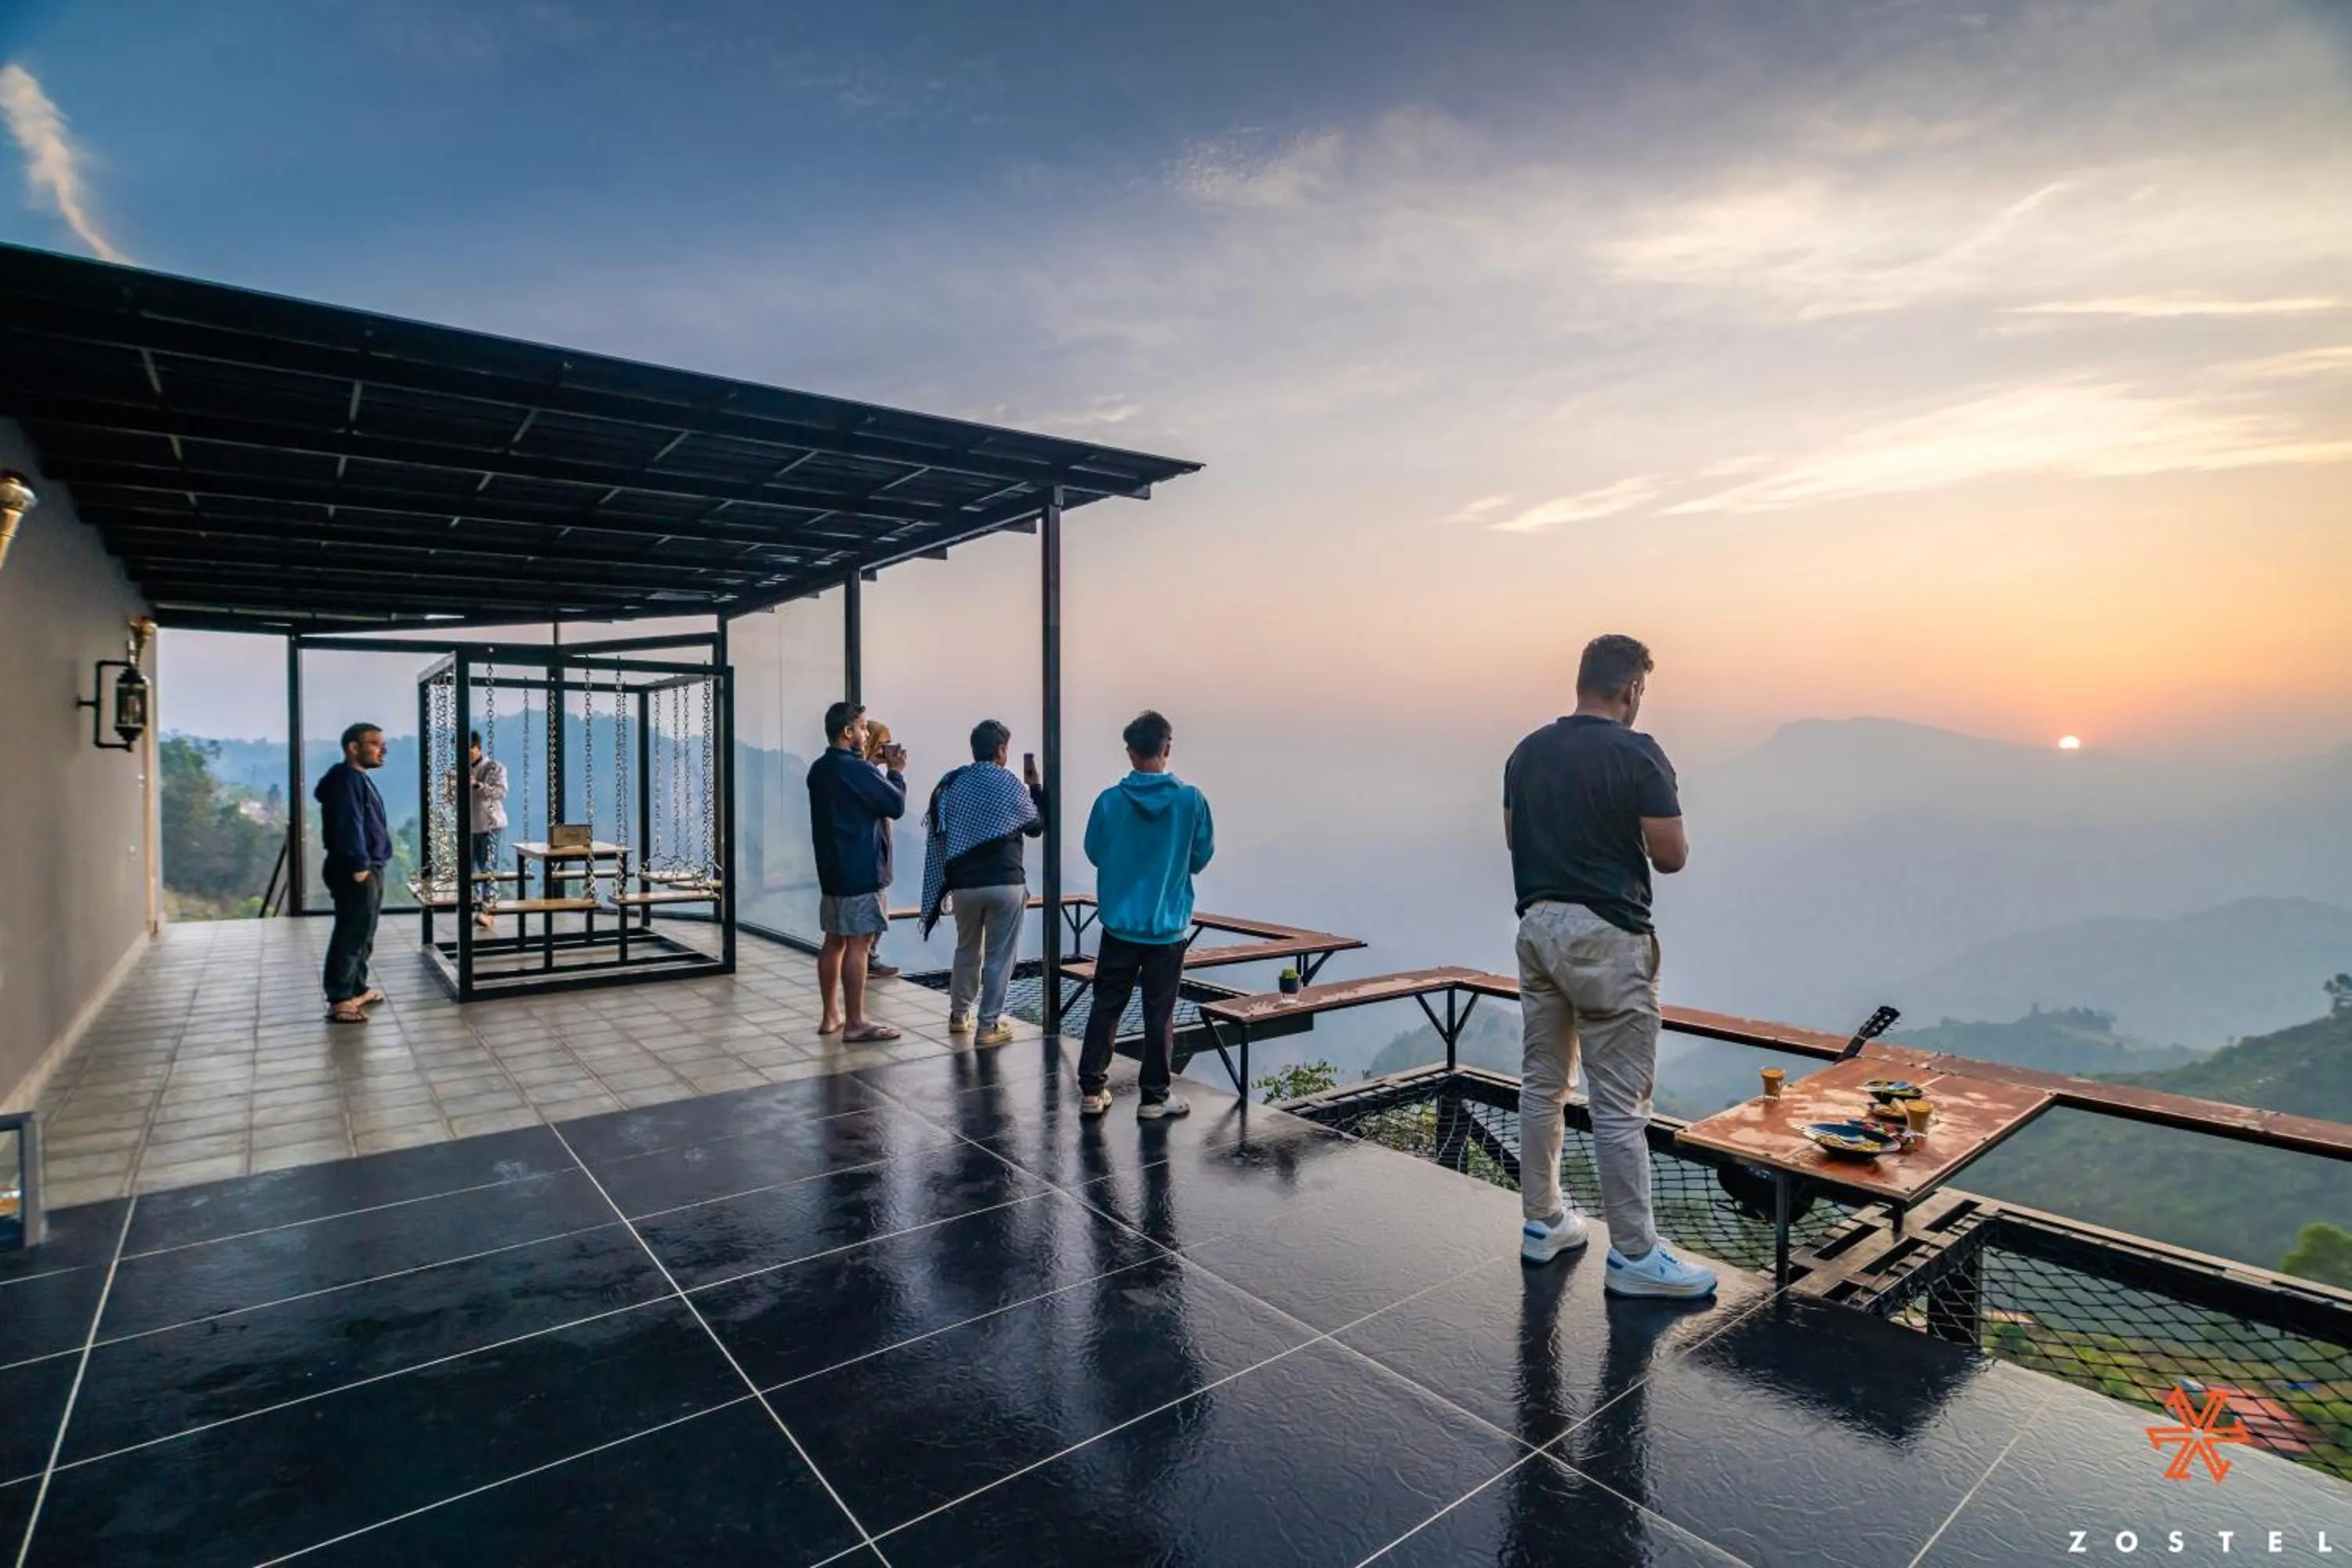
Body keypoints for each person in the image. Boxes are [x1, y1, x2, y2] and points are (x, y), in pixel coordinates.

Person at [1504, 634, 1714, 1298]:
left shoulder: (1527, 751)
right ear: (1631, 690)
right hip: (1608, 934)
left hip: (1537, 926)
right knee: (1619, 1104)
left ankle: (1544, 1223)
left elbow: (1516, 836)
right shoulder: (1637, 753)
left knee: (1543, 1084)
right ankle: (1634, 1256)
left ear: (1581, 682)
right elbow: (1672, 855)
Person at [1077, 710, 1214, 1120]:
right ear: (1167, 748)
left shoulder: (1109, 802)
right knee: (1160, 1012)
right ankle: (1154, 1097)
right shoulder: (1191, 801)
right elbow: (1200, 858)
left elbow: (1094, 852)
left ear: (1130, 752)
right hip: (1166, 929)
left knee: (1106, 1006)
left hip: (1118, 926)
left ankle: (1091, 1089)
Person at [918, 720, 1045, 1047]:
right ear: (1001, 750)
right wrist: (1036, 788)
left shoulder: (955, 783)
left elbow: (942, 829)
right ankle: (988, 1025)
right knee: (999, 956)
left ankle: (960, 1015)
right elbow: (1035, 826)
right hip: (1005, 883)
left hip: (963, 885)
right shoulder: (1009, 782)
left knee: (966, 948)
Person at [807, 700, 906, 1041]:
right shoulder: (859, 770)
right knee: (860, 944)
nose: (867, 734)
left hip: (831, 870)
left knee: (833, 941)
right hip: (860, 869)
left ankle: (830, 1015)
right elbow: (894, 805)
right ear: (848, 732)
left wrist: (872, 769)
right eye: (864, 728)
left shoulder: (819, 769)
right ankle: (856, 1022)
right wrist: (895, 772)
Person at [317, 722, 394, 1024]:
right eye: (376, 743)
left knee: (364, 931)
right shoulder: (345, 780)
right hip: (356, 868)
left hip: (369, 865)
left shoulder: (358, 780)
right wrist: (359, 867)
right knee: (351, 933)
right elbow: (348, 826)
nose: (382, 749)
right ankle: (340, 999)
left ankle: (355, 988)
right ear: (353, 747)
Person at [857, 721, 903, 981]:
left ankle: (869, 959)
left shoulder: (868, 774)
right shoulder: (866, 776)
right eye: (884, 743)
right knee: (874, 915)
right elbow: (895, 803)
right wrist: (896, 772)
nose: (888, 749)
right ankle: (868, 961)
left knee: (877, 913)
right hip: (871, 862)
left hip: (878, 859)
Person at [467, 731, 508, 931]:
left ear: (478, 747)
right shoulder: (458, 769)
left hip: (492, 825)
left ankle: (487, 912)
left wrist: (476, 785)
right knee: (469, 870)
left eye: (469, 750)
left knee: (488, 868)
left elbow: (500, 793)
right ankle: (475, 907)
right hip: (469, 825)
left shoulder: (494, 767)